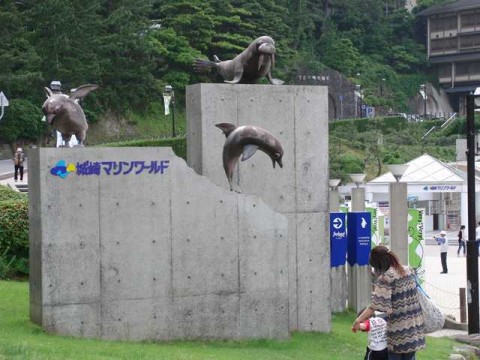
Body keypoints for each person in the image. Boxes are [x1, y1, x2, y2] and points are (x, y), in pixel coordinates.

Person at [352, 245, 425, 360]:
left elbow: (375, 305)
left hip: (397, 334)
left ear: (378, 264)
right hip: (414, 330)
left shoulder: (386, 278)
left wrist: (357, 320)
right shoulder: (409, 270)